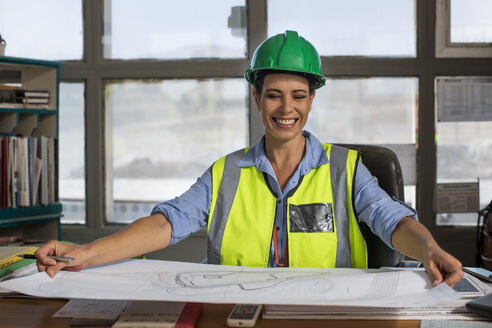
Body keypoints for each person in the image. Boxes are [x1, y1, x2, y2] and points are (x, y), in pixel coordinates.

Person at [36, 31, 463, 287]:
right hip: (234, 313)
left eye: (298, 96)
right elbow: (168, 223)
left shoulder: (346, 169)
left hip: (322, 317)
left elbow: (392, 220)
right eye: (274, 95)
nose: (286, 108)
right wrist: (86, 253)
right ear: (257, 97)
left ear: (311, 100)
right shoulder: (225, 172)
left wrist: (428, 248)